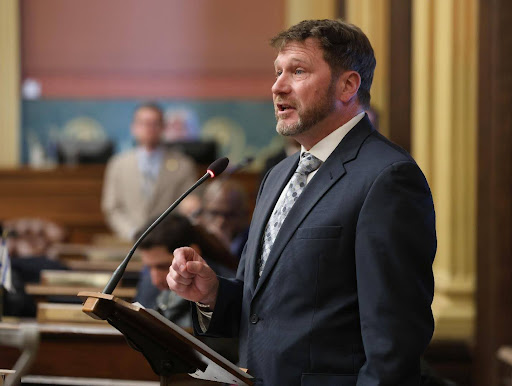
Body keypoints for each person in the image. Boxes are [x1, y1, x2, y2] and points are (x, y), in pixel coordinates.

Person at [167, 19, 436, 385]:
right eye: (278, 72)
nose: (278, 86)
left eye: (297, 71)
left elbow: (394, 338)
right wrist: (213, 293)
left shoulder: (387, 178)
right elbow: (264, 309)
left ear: (347, 85)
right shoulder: (278, 175)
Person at [102, 102, 197, 241]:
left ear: (163, 127)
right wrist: (133, 233)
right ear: (133, 127)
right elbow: (112, 208)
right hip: (129, 243)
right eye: (143, 123)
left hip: (168, 242)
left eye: (154, 123)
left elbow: (189, 205)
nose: (149, 128)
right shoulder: (118, 164)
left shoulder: (183, 165)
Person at [196, 179, 250, 259]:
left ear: (245, 215)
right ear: (202, 212)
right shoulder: (195, 240)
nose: (221, 222)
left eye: (230, 215)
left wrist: (225, 252)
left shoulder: (252, 243)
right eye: (214, 213)